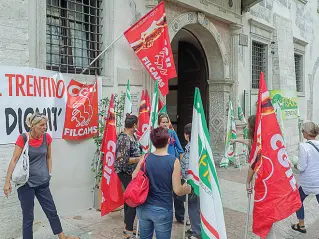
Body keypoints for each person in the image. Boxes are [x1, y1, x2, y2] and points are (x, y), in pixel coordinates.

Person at [3, 112, 78, 239]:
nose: (44, 127)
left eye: (46, 125)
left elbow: (49, 157)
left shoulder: (46, 138)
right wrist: (7, 182)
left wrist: (49, 174)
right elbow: (14, 159)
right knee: (28, 217)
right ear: (32, 125)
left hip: (43, 183)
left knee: (52, 211)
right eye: (41, 125)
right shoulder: (23, 138)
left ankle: (62, 236)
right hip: (26, 184)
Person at [133, 127, 191, 239]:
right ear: (169, 140)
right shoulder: (173, 161)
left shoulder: (145, 157)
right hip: (163, 208)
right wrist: (186, 189)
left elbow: (134, 176)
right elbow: (178, 191)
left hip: (143, 207)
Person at [234, 115, 277, 239]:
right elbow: (248, 142)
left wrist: (247, 182)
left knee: (265, 218)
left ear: (253, 126)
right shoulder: (265, 139)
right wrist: (236, 140)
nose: (246, 126)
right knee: (267, 219)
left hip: (264, 184)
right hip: (269, 181)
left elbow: (252, 166)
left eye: (248, 124)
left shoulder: (259, 144)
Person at [114, 114, 142, 239]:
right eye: (138, 123)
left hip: (133, 173)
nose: (139, 125)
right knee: (133, 200)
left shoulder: (133, 136)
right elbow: (122, 160)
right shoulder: (124, 138)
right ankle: (128, 231)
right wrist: (139, 159)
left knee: (129, 200)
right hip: (126, 173)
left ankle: (127, 226)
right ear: (134, 125)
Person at [157, 113, 187, 224]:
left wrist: (180, 165)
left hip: (174, 166)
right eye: (162, 122)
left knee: (177, 192)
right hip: (161, 167)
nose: (165, 124)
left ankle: (181, 216)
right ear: (158, 123)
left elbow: (180, 150)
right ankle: (163, 216)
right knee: (163, 193)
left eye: (166, 122)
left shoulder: (172, 133)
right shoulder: (156, 134)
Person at [291, 122, 319, 234]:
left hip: (308, 182)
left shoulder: (304, 146)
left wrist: (295, 164)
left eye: (303, 131)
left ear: (307, 133)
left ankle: (301, 225)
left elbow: (302, 168)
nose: (302, 132)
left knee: (298, 200)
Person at [181, 123, 202, 239]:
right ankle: (196, 227)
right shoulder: (200, 146)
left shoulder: (190, 148)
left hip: (192, 182)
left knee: (193, 207)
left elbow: (187, 167)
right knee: (197, 206)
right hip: (199, 181)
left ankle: (197, 232)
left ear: (186, 135)